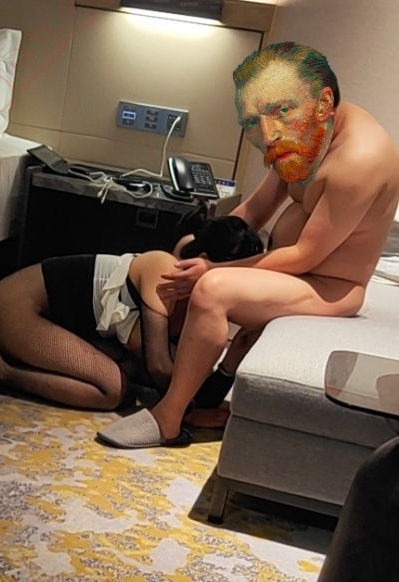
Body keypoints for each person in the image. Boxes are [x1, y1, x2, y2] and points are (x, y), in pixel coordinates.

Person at [98, 41, 399, 448]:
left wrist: (212, 270)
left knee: (213, 288)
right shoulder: (304, 131)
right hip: (296, 270)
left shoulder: (359, 161)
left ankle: (169, 417)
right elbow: (254, 211)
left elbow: (305, 255)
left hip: (330, 285)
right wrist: (201, 246)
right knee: (189, 257)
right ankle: (185, 384)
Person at [0, 208, 263, 422]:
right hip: (14, 307)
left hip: (58, 322)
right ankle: (0, 370)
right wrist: (188, 413)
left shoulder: (197, 304)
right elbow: (159, 367)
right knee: (113, 390)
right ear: (205, 262)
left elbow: (188, 383)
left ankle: (16, 362)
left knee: (130, 373)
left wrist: (230, 362)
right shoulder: (164, 269)